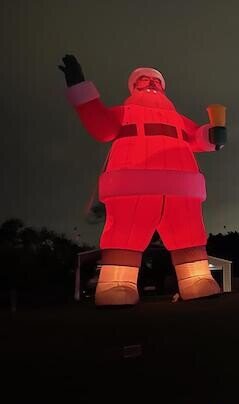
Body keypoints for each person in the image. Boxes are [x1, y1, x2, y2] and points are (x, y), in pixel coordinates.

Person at [59, 54, 227, 305]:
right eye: (144, 80)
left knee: (189, 234)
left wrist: (215, 135)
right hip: (132, 189)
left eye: (156, 81)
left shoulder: (177, 119)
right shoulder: (125, 113)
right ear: (133, 87)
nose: (151, 84)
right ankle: (116, 285)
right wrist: (80, 87)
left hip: (181, 191)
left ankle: (196, 280)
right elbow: (101, 127)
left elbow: (198, 137)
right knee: (124, 234)